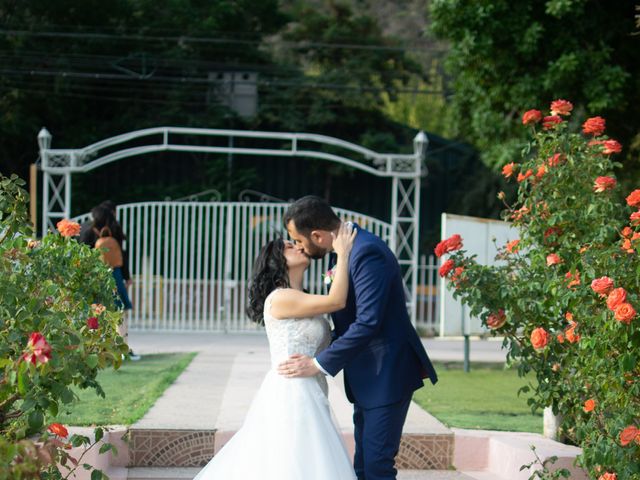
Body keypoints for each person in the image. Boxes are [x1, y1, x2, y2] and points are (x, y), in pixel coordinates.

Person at [279, 195, 438, 480]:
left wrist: (318, 363)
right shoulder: (345, 252)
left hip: (387, 372)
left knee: (377, 466)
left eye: (300, 240)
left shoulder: (366, 251)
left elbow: (368, 322)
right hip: (367, 376)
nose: (300, 247)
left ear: (317, 234)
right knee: (364, 466)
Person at [193, 223, 358, 480]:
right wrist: (344, 253)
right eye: (290, 246)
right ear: (277, 262)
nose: (299, 246)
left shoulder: (300, 296)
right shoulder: (279, 298)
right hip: (291, 392)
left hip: (312, 388)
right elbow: (336, 301)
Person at [92, 206, 140, 361]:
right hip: (114, 274)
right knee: (119, 312)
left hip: (96, 275)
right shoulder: (115, 231)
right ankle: (122, 348)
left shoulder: (89, 232)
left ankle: (98, 349)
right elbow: (122, 256)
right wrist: (127, 276)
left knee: (96, 312)